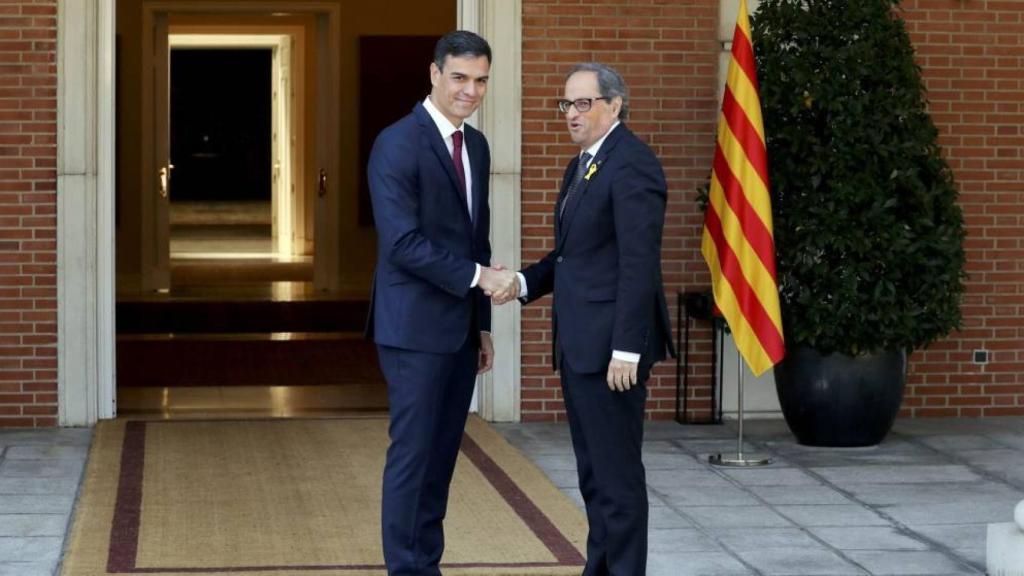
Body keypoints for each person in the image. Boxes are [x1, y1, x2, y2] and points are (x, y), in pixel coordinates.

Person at [492, 62, 674, 575]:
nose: (571, 113)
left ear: (614, 105)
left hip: (611, 352)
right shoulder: (583, 165)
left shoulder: (632, 163)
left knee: (617, 479)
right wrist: (521, 283)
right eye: (566, 104)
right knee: (594, 477)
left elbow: (638, 263)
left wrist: (627, 348)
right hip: (580, 346)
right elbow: (572, 257)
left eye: (583, 103)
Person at [365, 30, 515, 576]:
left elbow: (477, 240)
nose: (470, 90)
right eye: (459, 77)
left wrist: (482, 324)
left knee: (441, 459)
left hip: (459, 330)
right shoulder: (397, 143)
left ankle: (425, 565)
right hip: (412, 329)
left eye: (481, 80)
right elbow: (402, 243)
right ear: (434, 74)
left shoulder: (476, 145)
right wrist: (481, 278)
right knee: (414, 458)